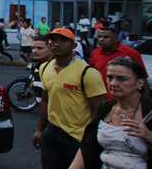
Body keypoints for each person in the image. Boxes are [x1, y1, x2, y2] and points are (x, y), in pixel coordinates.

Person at [70, 57, 152, 169]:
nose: (113, 83)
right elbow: (88, 147)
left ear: (140, 83)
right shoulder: (104, 107)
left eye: (122, 79)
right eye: (110, 77)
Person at [32, 28, 107, 169]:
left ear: (73, 46)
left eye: (63, 41)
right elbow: (45, 100)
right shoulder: (45, 67)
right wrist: (40, 130)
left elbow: (101, 111)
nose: (56, 44)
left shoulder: (88, 73)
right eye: (53, 40)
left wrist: (93, 141)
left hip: (78, 137)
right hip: (52, 132)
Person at [88, 26, 147, 99]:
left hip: (125, 100)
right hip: (101, 99)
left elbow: (143, 79)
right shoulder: (95, 53)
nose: (101, 39)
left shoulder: (132, 53)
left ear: (116, 38)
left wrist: (144, 104)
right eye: (100, 37)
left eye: (106, 37)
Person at [30, 37, 53, 106]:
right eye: (33, 48)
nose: (35, 51)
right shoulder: (38, 67)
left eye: (40, 48)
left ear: (51, 50)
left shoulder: (56, 70)